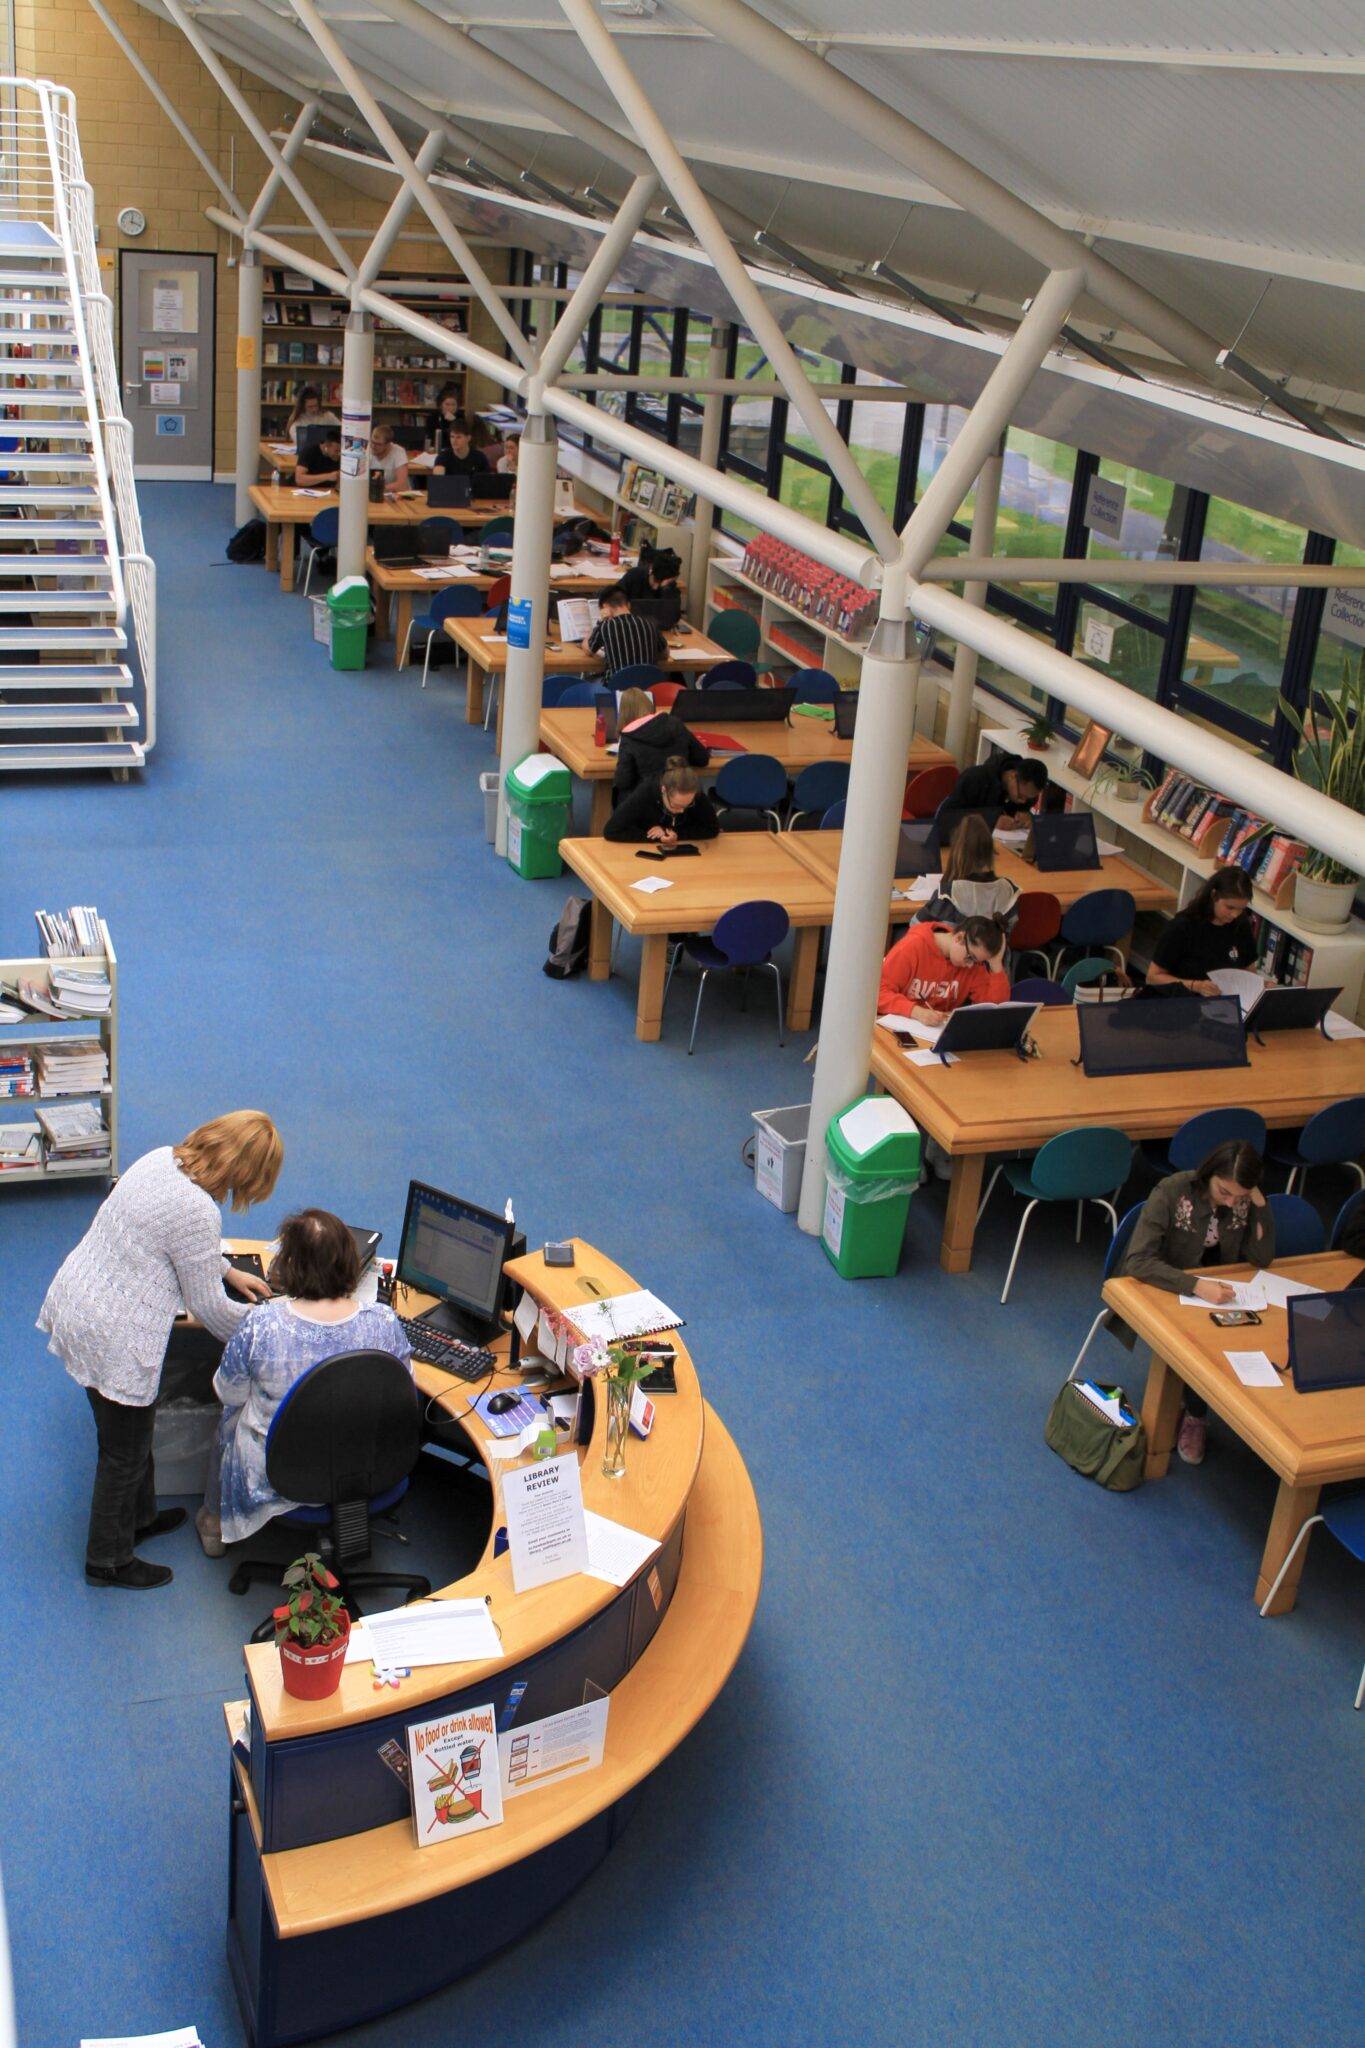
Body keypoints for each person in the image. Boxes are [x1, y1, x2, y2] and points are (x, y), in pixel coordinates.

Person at [37, 1111, 282, 1591]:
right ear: (246, 1172)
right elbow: (210, 1313)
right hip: (114, 1335)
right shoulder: (198, 1210)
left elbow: (179, 1241)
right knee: (122, 1452)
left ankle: (140, 1517)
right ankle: (107, 1560)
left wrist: (227, 1270)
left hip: (80, 1302)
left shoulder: (161, 1160)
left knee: (133, 1430)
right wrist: (273, 1321)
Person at [197, 1209, 413, 1555]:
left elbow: (227, 1392)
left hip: (280, 1477)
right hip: (366, 1472)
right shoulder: (384, 1323)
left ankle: (213, 1524)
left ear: (288, 1266)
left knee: (231, 1416)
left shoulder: (262, 1326)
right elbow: (404, 1396)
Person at [1123, 1140, 1275, 1464]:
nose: (1233, 1202)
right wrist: (1195, 1286)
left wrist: (1259, 1203)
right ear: (1209, 1174)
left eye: (1241, 1196)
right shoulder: (1172, 1191)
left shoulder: (1244, 1201)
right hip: (1168, 1284)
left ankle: (1193, 1407)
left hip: (1219, 1289)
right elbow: (1137, 1261)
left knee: (1251, 1331)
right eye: (1224, 1192)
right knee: (1202, 1343)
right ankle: (1195, 1415)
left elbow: (1262, 1258)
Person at [877, 916, 1011, 1023]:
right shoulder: (911, 947)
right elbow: (878, 994)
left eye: (978, 962)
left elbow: (993, 1011)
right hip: (900, 1026)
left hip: (936, 1033)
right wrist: (916, 1012)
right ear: (959, 938)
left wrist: (996, 964)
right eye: (970, 958)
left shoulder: (975, 962)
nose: (971, 965)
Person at [1148, 867, 1258, 996]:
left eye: (1241, 909)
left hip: (1224, 1001)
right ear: (1213, 895)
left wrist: (1259, 985)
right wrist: (1195, 986)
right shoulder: (1182, 927)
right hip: (1184, 1000)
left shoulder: (1241, 924)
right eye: (1230, 907)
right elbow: (1153, 977)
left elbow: (1249, 970)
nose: (1234, 915)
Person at [915, 814, 1020, 929]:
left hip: (957, 946)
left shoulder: (949, 894)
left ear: (957, 851)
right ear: (991, 851)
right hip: (996, 946)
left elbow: (916, 925)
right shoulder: (1009, 890)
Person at [612, 685, 709, 802]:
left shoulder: (629, 737)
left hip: (648, 801)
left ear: (623, 713)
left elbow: (623, 781)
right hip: (681, 794)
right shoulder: (676, 723)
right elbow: (702, 759)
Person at [604, 758, 720, 844]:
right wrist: (654, 837)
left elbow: (712, 828)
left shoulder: (694, 792)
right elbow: (612, 831)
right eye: (676, 805)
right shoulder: (645, 792)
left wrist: (673, 833)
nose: (681, 810)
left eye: (688, 805)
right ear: (664, 790)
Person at [585, 584, 667, 680]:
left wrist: (600, 622)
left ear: (605, 607)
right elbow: (665, 654)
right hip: (647, 690)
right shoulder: (650, 624)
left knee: (587, 681)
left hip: (616, 689)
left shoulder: (605, 626)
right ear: (628, 604)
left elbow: (589, 649)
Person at [949, 751, 1048, 820]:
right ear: (1013, 776)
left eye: (1029, 798)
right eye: (1020, 796)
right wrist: (991, 820)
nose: (1023, 801)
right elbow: (952, 815)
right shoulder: (974, 779)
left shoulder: (1026, 791)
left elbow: (1022, 811)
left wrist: (1027, 817)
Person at [617, 545, 684, 630]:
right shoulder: (634, 576)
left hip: (656, 631)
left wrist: (666, 589)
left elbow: (673, 617)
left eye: (661, 583)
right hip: (629, 628)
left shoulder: (669, 587)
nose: (656, 587)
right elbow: (613, 599)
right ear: (651, 570)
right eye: (655, 580)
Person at [285, 383, 338, 449]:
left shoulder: (328, 416)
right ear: (303, 407)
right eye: (310, 407)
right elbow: (301, 444)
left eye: (316, 405)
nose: (314, 409)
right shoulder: (297, 421)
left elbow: (341, 430)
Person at [367, 422, 409, 495]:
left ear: (388, 444)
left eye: (378, 444)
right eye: (372, 442)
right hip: (372, 494)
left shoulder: (398, 452)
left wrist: (377, 489)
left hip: (395, 495)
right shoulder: (367, 449)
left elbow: (402, 485)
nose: (373, 446)